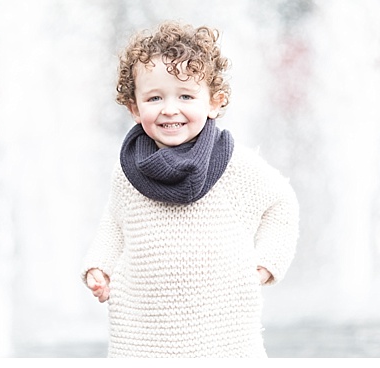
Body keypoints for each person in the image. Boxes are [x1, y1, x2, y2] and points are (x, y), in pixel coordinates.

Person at [82, 23, 299, 357]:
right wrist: (100, 265)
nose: (170, 108)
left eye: (185, 96)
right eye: (155, 98)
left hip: (222, 329)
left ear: (214, 102)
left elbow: (280, 204)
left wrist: (266, 263)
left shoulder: (232, 163)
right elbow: (114, 221)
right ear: (135, 108)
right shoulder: (129, 169)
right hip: (143, 328)